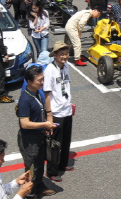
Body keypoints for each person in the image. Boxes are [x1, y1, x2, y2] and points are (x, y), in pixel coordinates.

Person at [17, 65, 57, 197]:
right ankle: (29, 193)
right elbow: (24, 123)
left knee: (40, 164)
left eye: (43, 79)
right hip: (29, 139)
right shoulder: (25, 99)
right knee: (31, 168)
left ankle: (39, 186)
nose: (42, 82)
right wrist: (44, 124)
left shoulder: (35, 94)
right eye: (39, 80)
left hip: (39, 135)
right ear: (29, 81)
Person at [44, 42, 74, 179]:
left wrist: (70, 103)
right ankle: (51, 171)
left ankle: (63, 164)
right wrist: (49, 114)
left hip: (66, 109)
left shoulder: (66, 66)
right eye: (61, 54)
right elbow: (47, 93)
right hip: (56, 112)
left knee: (66, 140)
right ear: (55, 55)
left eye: (66, 54)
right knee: (55, 144)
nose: (64, 57)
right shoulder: (50, 69)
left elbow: (66, 86)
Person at [27, 0, 50, 64]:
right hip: (35, 36)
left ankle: (45, 64)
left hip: (44, 34)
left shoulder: (45, 12)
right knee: (39, 51)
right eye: (33, 8)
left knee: (44, 51)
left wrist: (40, 30)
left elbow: (47, 23)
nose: (34, 10)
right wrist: (36, 17)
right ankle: (40, 64)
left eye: (35, 8)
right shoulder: (30, 15)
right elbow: (32, 26)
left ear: (39, 7)